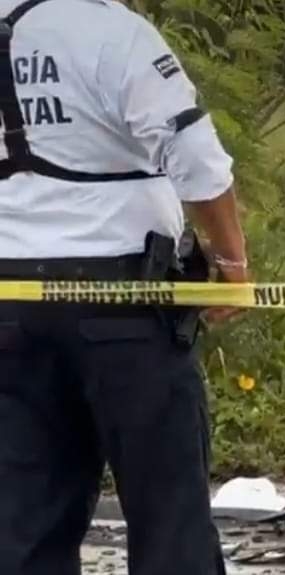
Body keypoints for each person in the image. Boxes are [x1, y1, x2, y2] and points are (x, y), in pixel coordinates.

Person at [0, 0, 247, 573]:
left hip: (10, 306)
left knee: (22, 525)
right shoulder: (112, 31)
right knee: (169, 518)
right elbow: (195, 154)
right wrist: (232, 263)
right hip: (126, 305)